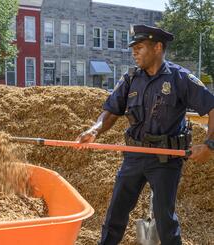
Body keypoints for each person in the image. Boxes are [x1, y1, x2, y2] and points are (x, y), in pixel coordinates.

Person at [77, 24, 214, 245]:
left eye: (139, 47)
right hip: (134, 154)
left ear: (158, 47)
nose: (134, 52)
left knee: (164, 220)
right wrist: (95, 129)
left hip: (165, 158)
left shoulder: (180, 78)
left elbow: (212, 107)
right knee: (115, 213)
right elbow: (111, 111)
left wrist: (209, 145)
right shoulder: (131, 78)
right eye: (133, 48)